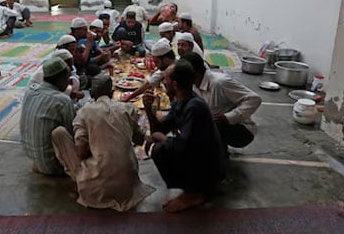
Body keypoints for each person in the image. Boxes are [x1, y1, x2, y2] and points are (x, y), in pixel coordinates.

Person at [52, 74, 155, 211]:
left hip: (98, 183)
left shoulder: (83, 112)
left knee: (58, 133)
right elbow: (139, 139)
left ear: (92, 94)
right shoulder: (127, 109)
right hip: (128, 183)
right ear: (112, 93)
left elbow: (81, 153)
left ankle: (83, 183)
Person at [142, 60, 227, 212]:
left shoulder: (195, 107)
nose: (163, 83)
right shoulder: (181, 101)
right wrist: (149, 109)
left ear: (174, 85)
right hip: (195, 156)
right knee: (154, 142)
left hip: (209, 168)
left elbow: (183, 146)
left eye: (165, 80)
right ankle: (191, 187)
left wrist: (161, 138)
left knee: (159, 149)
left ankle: (194, 193)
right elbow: (160, 128)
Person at [180, 52, 261, 149]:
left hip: (240, 129)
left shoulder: (220, 83)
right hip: (215, 125)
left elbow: (254, 99)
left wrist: (228, 117)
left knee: (203, 128)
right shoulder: (193, 85)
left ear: (194, 73)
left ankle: (218, 152)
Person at [20, 57, 76, 176]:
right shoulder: (63, 101)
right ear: (60, 78)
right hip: (51, 164)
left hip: (32, 157)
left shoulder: (30, 90)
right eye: (67, 77)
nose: (69, 81)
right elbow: (72, 135)